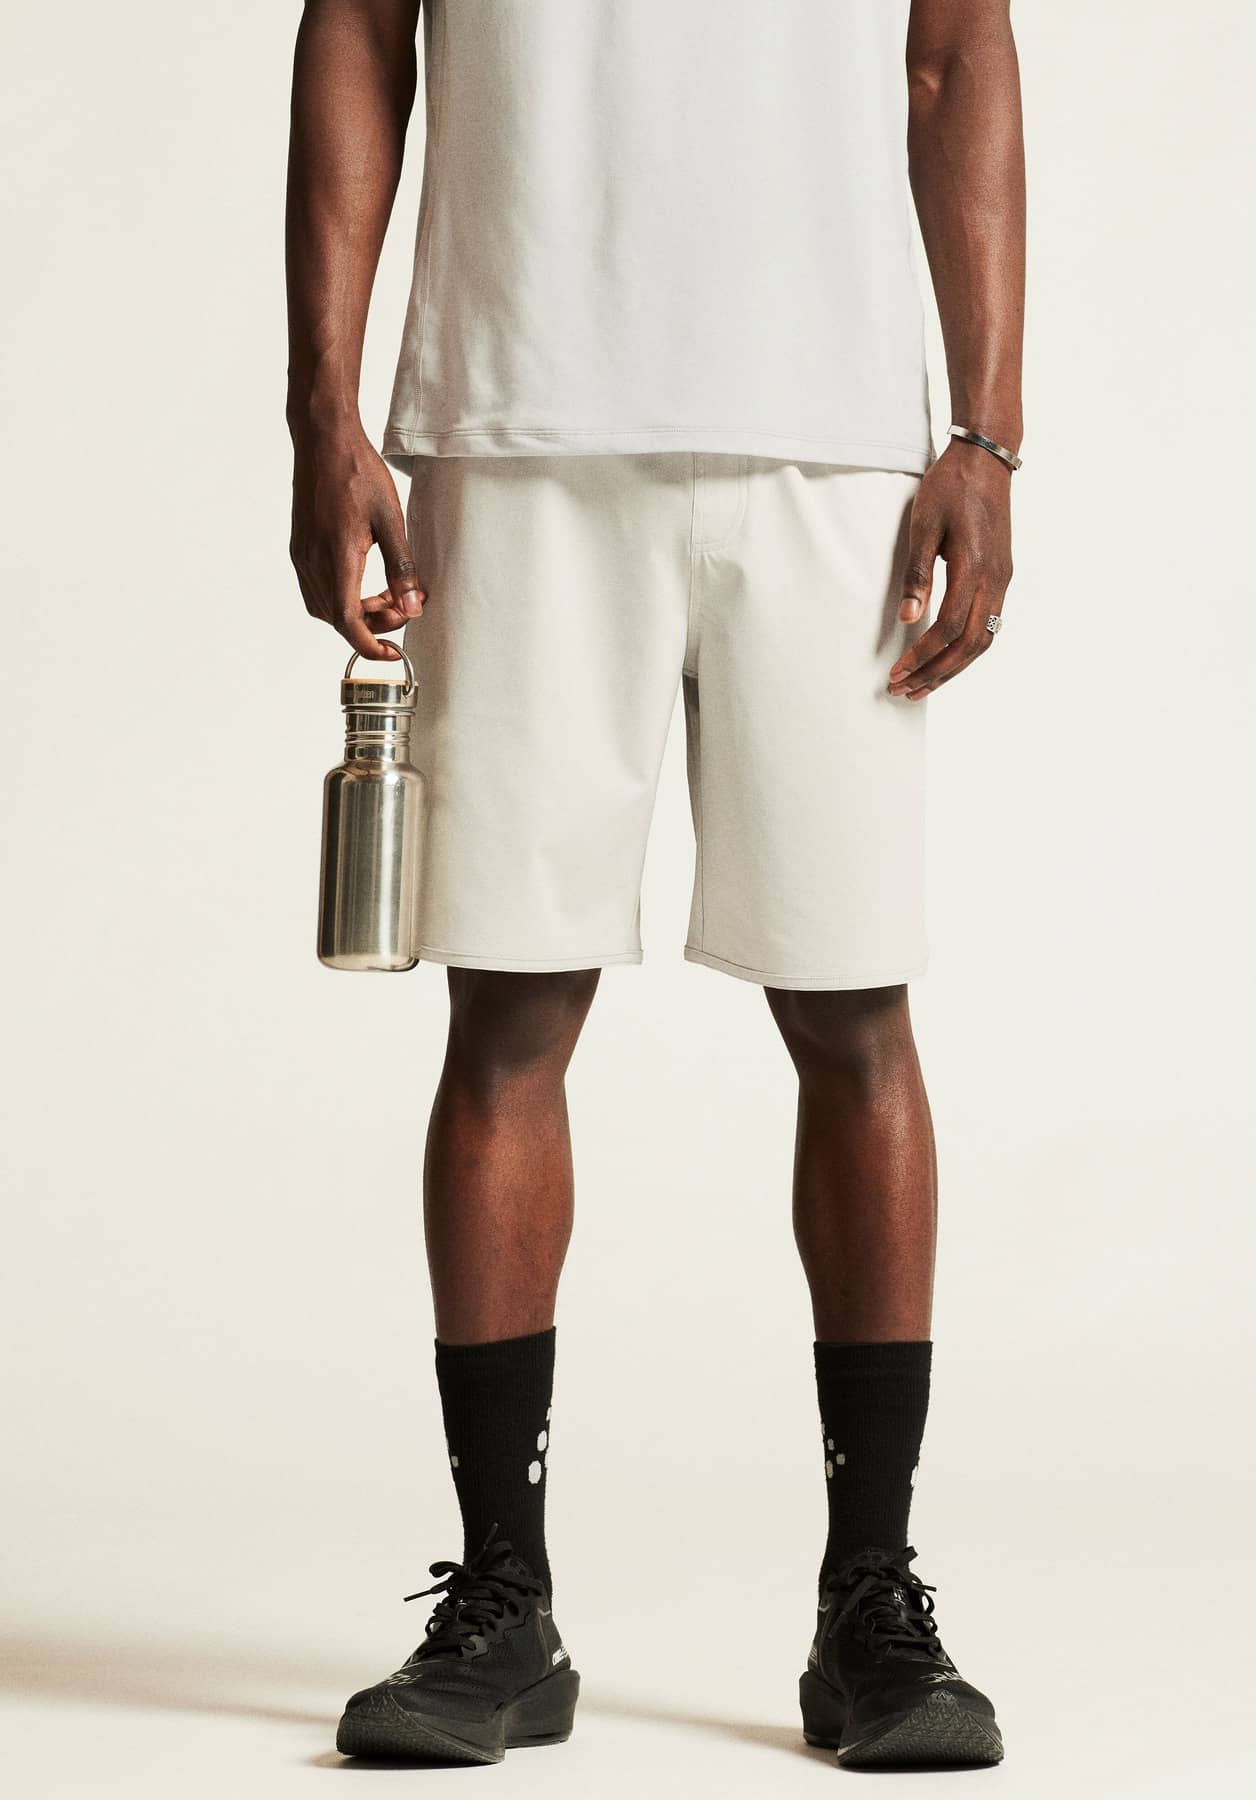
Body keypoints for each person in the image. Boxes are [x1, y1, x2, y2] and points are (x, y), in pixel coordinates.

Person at [287, 0, 1024, 1770]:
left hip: (832, 441)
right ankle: (504, 1603)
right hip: (516, 409)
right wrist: (324, 408)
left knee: (852, 1004)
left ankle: (869, 1605)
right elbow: (357, 33)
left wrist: (985, 435)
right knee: (507, 1009)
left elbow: (954, 52)